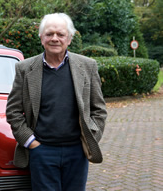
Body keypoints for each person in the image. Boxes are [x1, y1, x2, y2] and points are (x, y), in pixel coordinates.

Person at [6, 13, 107, 191]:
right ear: (41, 37)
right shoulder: (25, 68)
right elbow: (13, 111)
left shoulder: (87, 66)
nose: (55, 38)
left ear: (69, 38)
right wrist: (31, 143)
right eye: (49, 34)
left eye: (60, 34)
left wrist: (90, 139)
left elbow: (98, 110)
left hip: (77, 151)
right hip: (41, 151)